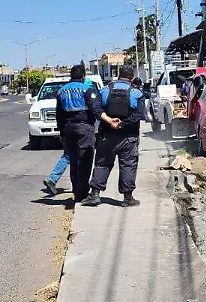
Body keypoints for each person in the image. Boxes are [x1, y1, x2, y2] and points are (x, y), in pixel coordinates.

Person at [84, 65, 148, 207]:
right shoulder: (136, 93)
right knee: (128, 165)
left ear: (118, 76)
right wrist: (123, 124)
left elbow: (96, 109)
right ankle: (127, 198)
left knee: (102, 163)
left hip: (107, 135)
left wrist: (110, 121)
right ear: (131, 78)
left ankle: (94, 194)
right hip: (129, 137)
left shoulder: (105, 90)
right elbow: (139, 115)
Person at [54, 64, 101, 205]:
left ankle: (76, 191)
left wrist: (62, 132)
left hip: (68, 129)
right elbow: (95, 109)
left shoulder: (61, 91)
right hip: (84, 128)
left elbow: (59, 114)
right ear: (83, 77)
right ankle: (82, 193)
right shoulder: (87, 89)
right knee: (85, 160)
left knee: (73, 161)